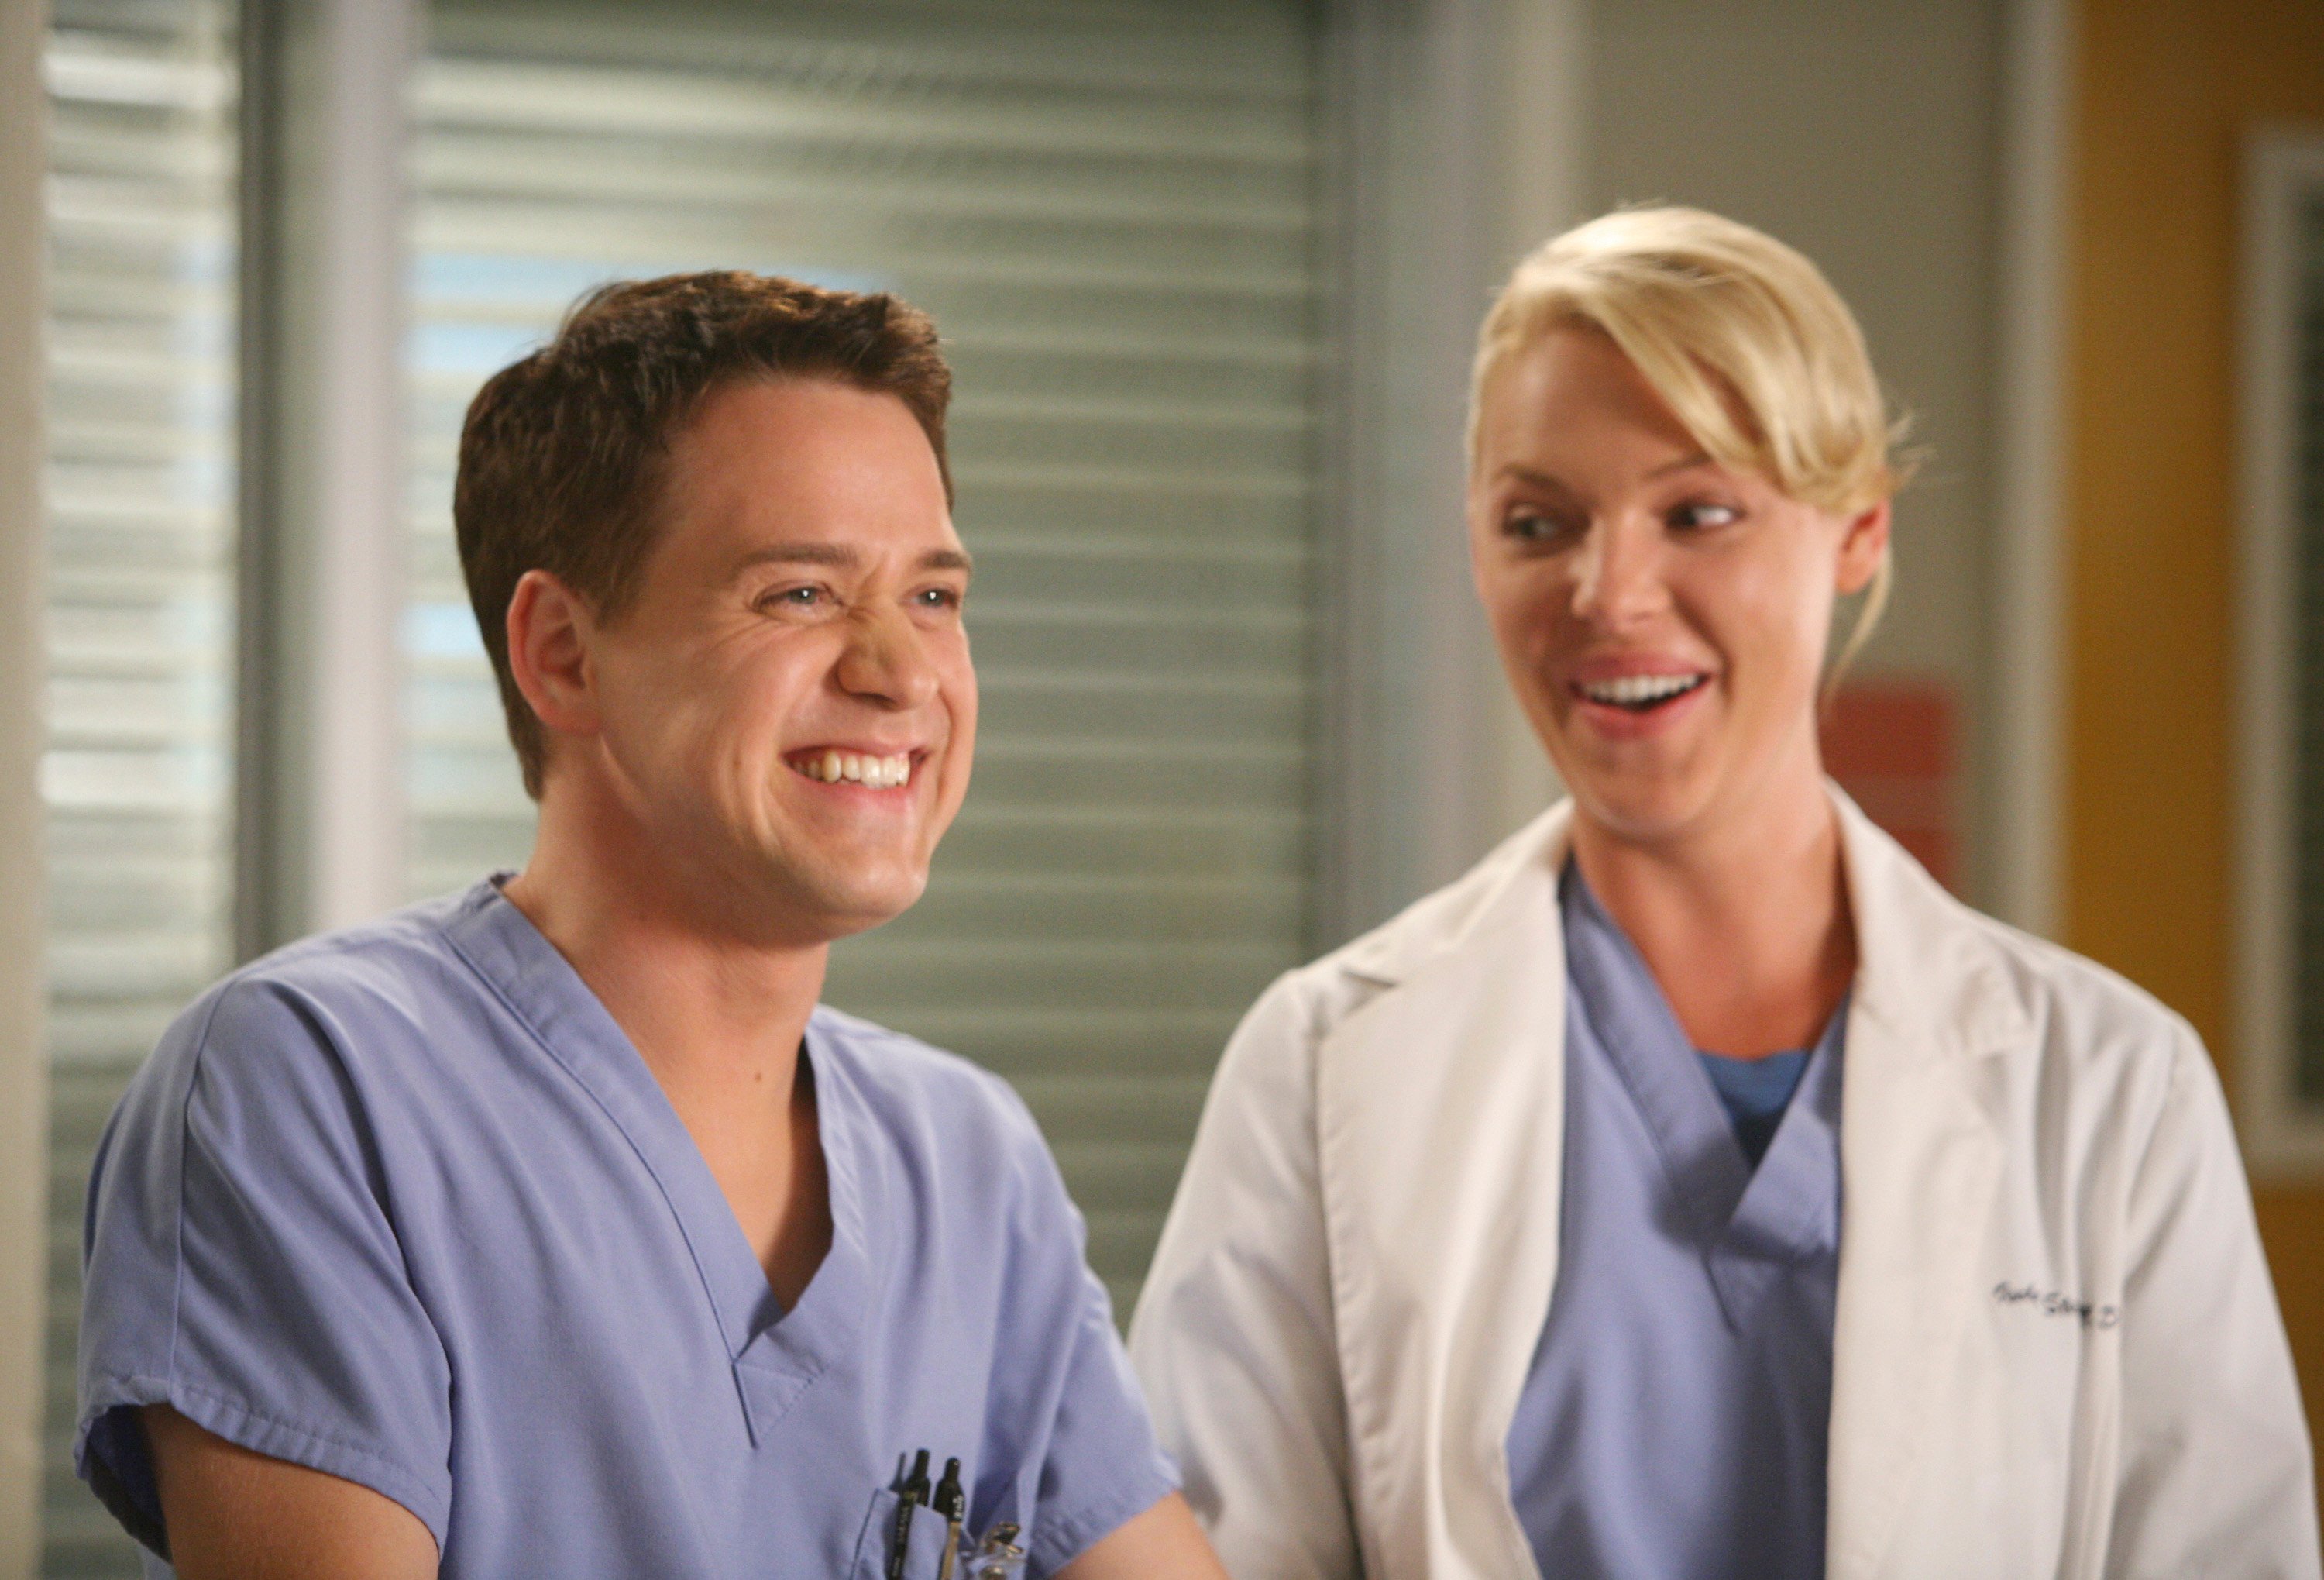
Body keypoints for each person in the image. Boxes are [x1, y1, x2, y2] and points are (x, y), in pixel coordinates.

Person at [1128, 208, 2321, 1578]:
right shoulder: (1320, 1064)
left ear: (1858, 530)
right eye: (1538, 523)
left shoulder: (2112, 1090)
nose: (1608, 593)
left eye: (1698, 513)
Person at [75, 274, 1229, 1580]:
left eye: (933, 598)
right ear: (564, 653)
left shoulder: (967, 1164)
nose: (902, 674)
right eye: (801, 593)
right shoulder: (313, 1090)